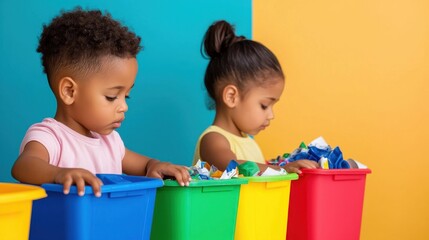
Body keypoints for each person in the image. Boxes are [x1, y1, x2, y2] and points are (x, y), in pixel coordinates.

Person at [11, 8, 190, 197]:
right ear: (69, 91)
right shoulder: (50, 137)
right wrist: (59, 174)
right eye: (112, 97)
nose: (124, 106)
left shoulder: (110, 142)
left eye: (126, 96)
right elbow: (24, 166)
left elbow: (146, 166)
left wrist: (156, 166)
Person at [193, 20, 319, 174]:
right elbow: (235, 167)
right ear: (231, 96)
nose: (271, 115)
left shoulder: (248, 142)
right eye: (264, 105)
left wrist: (282, 164)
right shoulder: (213, 140)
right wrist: (281, 170)